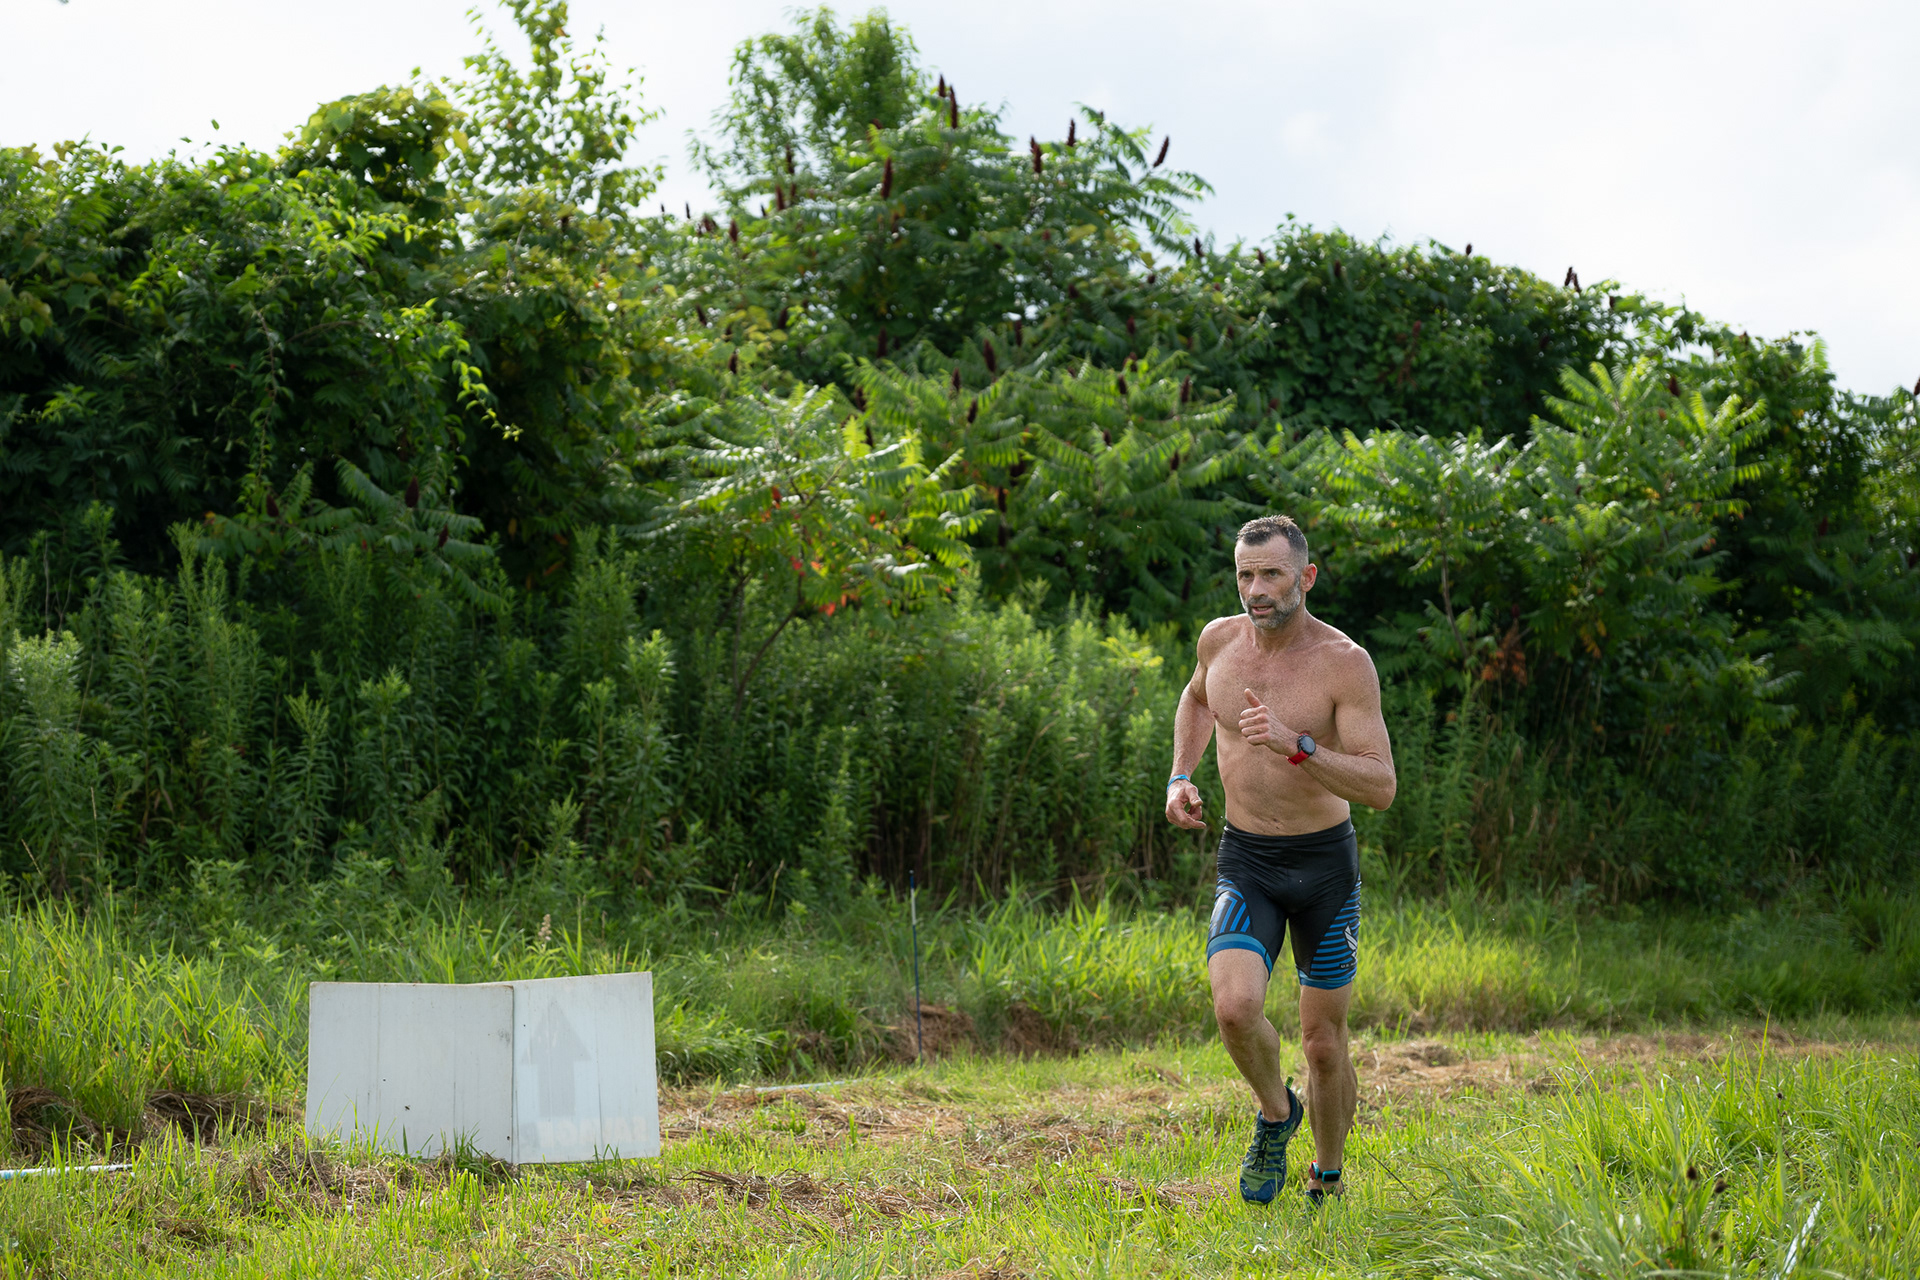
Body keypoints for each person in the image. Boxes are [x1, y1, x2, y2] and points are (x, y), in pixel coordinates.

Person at [1164, 514, 1396, 1205]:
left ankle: (1328, 1175)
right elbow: (1195, 700)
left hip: (1324, 867)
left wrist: (1299, 744)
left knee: (1323, 1043)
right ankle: (1275, 1113)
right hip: (1248, 860)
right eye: (1245, 574)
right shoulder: (1219, 641)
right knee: (1235, 1010)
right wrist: (1180, 776)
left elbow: (1381, 785)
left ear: (1307, 577)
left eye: (1272, 573)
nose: (1256, 589)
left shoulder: (1344, 663)